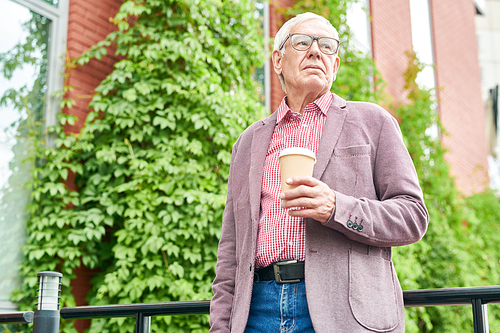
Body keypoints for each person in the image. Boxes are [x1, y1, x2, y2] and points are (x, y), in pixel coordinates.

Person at [210, 12, 429, 333]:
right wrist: (222, 326)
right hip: (257, 312)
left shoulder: (374, 122)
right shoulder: (248, 141)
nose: (316, 51)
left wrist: (335, 208)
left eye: (326, 46)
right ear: (278, 60)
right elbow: (230, 250)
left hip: (346, 312)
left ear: (335, 65)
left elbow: (412, 217)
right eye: (302, 42)